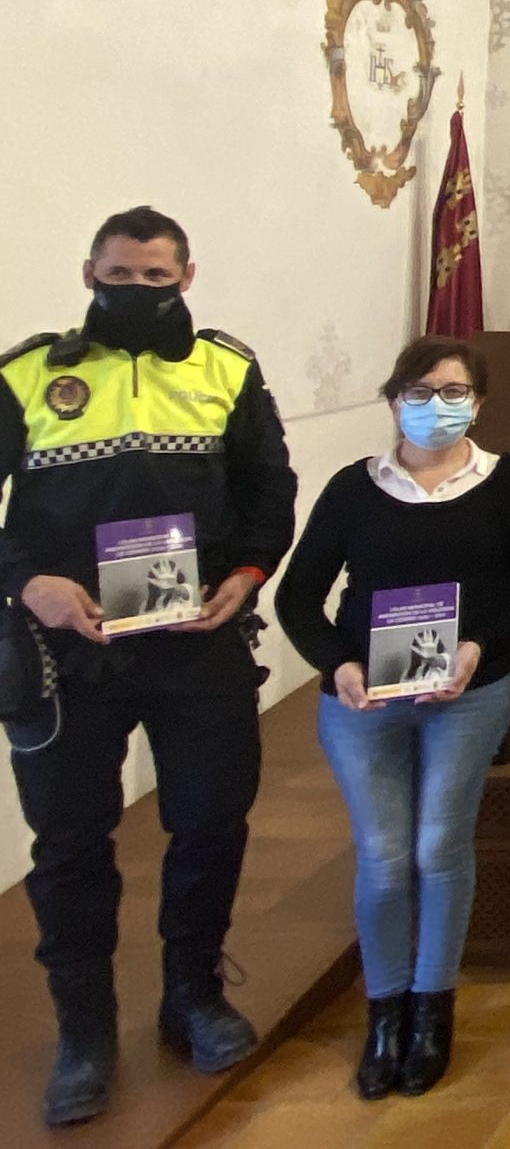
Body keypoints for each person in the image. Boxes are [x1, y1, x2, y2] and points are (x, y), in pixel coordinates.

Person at [0, 208, 296, 1128]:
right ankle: (83, 1034)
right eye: (120, 275)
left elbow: (270, 490)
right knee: (70, 846)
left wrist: (248, 575)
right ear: (89, 271)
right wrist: (29, 584)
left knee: (209, 824)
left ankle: (194, 996)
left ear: (187, 278)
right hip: (65, 653)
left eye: (155, 277)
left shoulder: (226, 369)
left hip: (195, 645)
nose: (137, 290)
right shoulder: (27, 374)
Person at [276, 336, 510, 1100]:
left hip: (468, 696)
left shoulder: (506, 482)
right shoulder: (354, 487)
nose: (438, 405)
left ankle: (433, 1009)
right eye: (421, 391)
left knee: (438, 847)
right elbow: (298, 597)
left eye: (455, 391)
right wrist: (337, 663)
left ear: (479, 402)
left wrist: (476, 645)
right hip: (364, 701)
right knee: (383, 854)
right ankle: (384, 1013)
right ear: (395, 399)